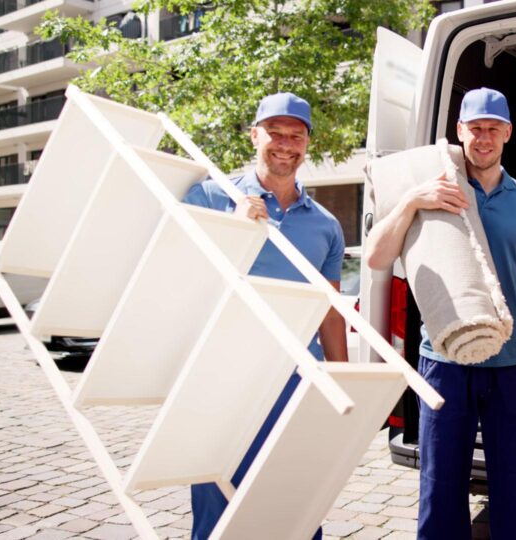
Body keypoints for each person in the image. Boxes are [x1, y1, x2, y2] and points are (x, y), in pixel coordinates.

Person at [364, 87, 516, 539]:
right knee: (440, 485)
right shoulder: (433, 190)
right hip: (443, 361)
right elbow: (377, 258)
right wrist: (413, 201)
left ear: (508, 133)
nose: (484, 138)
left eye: (493, 128)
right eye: (475, 129)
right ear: (460, 132)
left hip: (511, 364)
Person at [182, 92, 348, 540]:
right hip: (226, 374)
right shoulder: (210, 195)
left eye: (296, 135)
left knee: (295, 494)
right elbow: (182, 278)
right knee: (220, 498)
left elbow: (329, 310)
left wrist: (339, 381)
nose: (285, 144)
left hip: (296, 376)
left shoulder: (325, 224)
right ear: (254, 135)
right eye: (275, 132)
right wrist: (235, 229)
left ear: (307, 144)